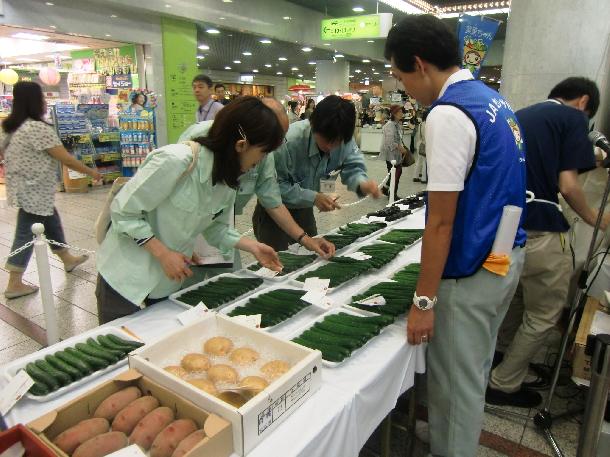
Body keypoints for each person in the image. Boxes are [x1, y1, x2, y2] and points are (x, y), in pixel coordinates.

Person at [385, 15, 526, 457]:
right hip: (504, 257)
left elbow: (441, 221)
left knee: (454, 381)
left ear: (420, 65)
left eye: (400, 74)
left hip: (470, 271)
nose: (402, 86)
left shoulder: (448, 113)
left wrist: (423, 302)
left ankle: (454, 445)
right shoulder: (492, 100)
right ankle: (451, 432)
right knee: (474, 366)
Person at [95, 97, 284, 323]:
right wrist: (163, 254)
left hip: (168, 282)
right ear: (241, 145)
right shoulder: (175, 160)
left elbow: (217, 229)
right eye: (262, 153)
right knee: (120, 351)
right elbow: (124, 211)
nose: (262, 161)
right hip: (126, 278)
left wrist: (253, 246)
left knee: (158, 346)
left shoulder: (228, 180)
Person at [487, 77, 610, 407]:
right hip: (543, 229)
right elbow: (568, 185)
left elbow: (543, 163)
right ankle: (503, 383)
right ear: (583, 102)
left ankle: (497, 360)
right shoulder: (572, 118)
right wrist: (595, 217)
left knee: (513, 300)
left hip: (506, 230)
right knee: (544, 314)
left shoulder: (519, 116)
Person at [178, 97, 335, 278]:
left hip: (221, 228)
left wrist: (305, 239)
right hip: (183, 232)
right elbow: (152, 205)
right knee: (184, 286)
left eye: (281, 138)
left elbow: (273, 202)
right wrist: (178, 244)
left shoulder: (264, 155)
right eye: (274, 137)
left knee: (228, 285)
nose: (277, 145)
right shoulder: (195, 142)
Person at [0, 82, 102, 299]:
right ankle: (14, 282)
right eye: (42, 98)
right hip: (36, 189)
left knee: (51, 219)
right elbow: (64, 158)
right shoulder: (37, 128)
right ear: (35, 101)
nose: (45, 102)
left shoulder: (10, 127)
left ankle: (67, 258)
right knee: (26, 232)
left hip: (23, 188)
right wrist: (92, 172)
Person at [253, 95, 381, 251]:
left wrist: (363, 183)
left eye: (337, 142)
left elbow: (352, 166)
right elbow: (272, 188)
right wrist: (313, 197)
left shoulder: (343, 137)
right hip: (273, 214)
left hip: (304, 210)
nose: (331, 147)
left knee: (312, 255)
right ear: (313, 125)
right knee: (276, 265)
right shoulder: (287, 141)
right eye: (326, 140)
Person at [378, 105, 407, 199]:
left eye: (402, 112)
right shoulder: (390, 125)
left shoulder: (397, 124)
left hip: (396, 153)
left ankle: (386, 190)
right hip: (390, 154)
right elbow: (389, 142)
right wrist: (400, 147)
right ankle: (392, 195)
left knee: (393, 173)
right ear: (394, 113)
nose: (401, 114)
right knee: (396, 172)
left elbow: (398, 138)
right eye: (399, 112)